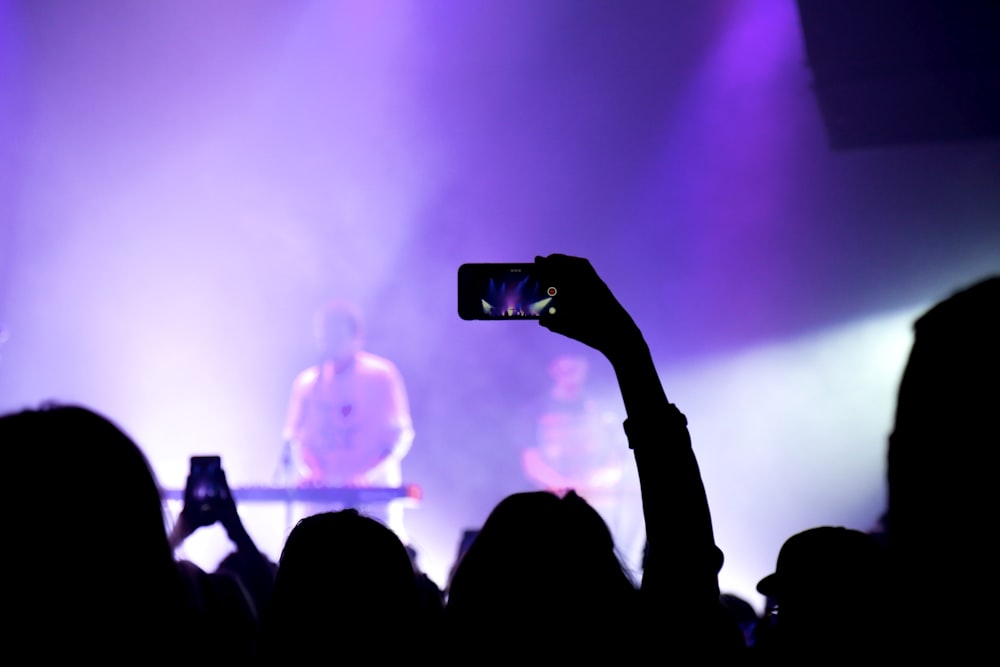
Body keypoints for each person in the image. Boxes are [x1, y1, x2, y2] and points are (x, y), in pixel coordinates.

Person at [282, 299, 415, 540]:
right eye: (324, 335)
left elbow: (398, 437)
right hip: (322, 504)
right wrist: (313, 472)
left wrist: (365, 476)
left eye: (336, 334)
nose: (329, 342)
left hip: (372, 503)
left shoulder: (380, 376)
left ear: (356, 336)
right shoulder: (308, 384)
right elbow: (297, 440)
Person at [519, 353, 645, 575]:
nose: (570, 370)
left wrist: (595, 481)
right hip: (553, 497)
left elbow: (620, 457)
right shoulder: (536, 410)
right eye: (564, 363)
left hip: (598, 496)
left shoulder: (601, 407)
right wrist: (565, 486)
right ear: (553, 367)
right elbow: (530, 461)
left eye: (575, 364)